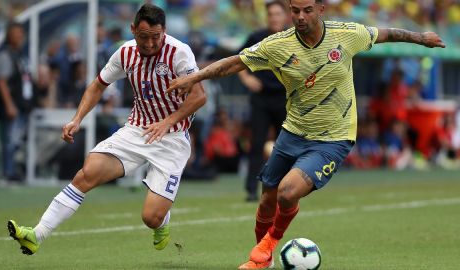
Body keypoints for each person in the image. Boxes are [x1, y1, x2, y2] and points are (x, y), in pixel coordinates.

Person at [167, 0, 445, 268]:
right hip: (293, 132)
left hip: (333, 138)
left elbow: (387, 33)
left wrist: (421, 37)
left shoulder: (348, 34)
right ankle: (264, 261)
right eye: (295, 10)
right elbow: (234, 63)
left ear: (321, 10)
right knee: (267, 201)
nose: (300, 16)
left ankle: (266, 248)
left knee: (288, 193)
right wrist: (194, 78)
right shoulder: (276, 45)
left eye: (307, 10)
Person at [7, 4, 206, 255]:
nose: (150, 43)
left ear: (164, 31)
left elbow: (199, 96)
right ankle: (36, 234)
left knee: (151, 218)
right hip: (137, 131)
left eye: (156, 37)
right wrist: (76, 119)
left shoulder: (179, 52)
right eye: (144, 37)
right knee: (86, 174)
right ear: (133, 30)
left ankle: (162, 221)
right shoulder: (125, 53)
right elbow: (97, 86)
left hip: (172, 139)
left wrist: (167, 121)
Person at [238, 0, 290, 202]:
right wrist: (247, 78)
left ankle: (285, 189)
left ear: (285, 16)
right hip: (260, 98)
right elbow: (239, 61)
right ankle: (251, 190)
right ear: (266, 17)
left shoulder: (293, 38)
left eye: (278, 14)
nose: (274, 18)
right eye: (271, 14)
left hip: (285, 99)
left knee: (286, 146)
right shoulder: (256, 38)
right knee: (257, 144)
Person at [0, 21, 32, 181]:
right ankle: (6, 173)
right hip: (11, 105)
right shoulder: (5, 55)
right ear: (9, 35)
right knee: (9, 141)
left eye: (21, 33)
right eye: (16, 33)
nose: (20, 36)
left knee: (16, 141)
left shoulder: (20, 55)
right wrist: (9, 104)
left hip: (21, 105)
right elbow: (1, 82)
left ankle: (12, 171)